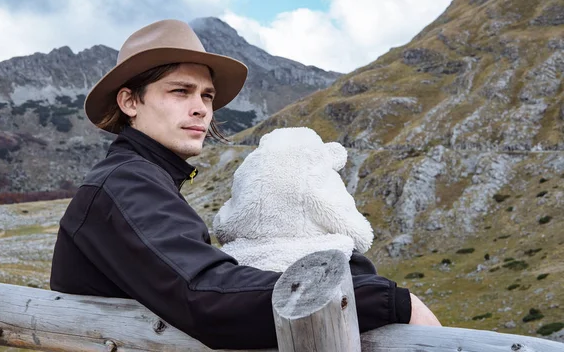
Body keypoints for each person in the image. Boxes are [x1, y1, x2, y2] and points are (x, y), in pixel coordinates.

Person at [50, 19, 440, 350]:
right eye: (180, 91)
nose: (202, 108)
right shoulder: (125, 183)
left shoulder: (142, 177)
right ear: (130, 102)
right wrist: (389, 301)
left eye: (207, 95)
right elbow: (205, 294)